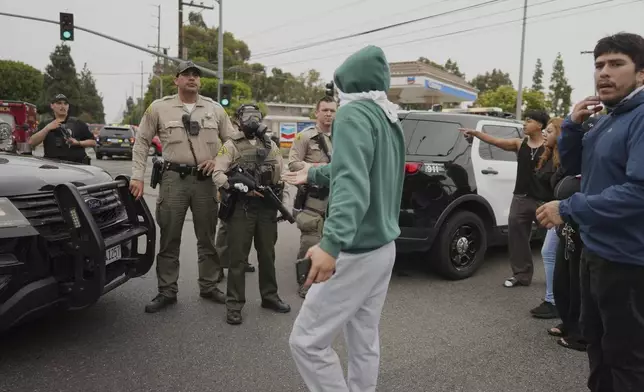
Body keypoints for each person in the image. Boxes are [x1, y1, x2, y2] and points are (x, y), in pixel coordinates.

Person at [285, 45, 405, 392]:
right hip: (383, 248)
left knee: (306, 342)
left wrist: (331, 243)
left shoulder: (352, 115)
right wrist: (317, 174)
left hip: (355, 251)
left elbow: (352, 183)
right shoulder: (386, 116)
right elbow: (360, 168)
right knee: (364, 342)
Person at [537, 32, 644, 391]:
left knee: (626, 357)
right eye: (599, 65)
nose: (603, 73)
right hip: (593, 250)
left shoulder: (640, 118)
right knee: (595, 342)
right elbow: (575, 168)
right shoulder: (608, 118)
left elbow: (638, 192)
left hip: (628, 260)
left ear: (641, 73)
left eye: (616, 64)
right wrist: (571, 125)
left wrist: (568, 207)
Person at [129, 61, 234, 313]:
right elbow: (142, 141)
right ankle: (167, 290)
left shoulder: (215, 109)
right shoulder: (159, 108)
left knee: (207, 237)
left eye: (196, 75)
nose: (192, 78)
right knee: (169, 237)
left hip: (205, 181)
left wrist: (218, 160)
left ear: (200, 81)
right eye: (186, 74)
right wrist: (137, 176)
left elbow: (232, 140)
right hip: (173, 179)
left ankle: (208, 285)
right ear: (176, 80)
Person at [212, 103, 291, 325]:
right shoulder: (231, 145)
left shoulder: (271, 145)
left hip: (267, 208)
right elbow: (217, 173)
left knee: (267, 255)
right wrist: (235, 185)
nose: (252, 120)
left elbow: (281, 174)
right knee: (237, 258)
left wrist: (281, 202)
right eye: (247, 116)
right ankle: (234, 304)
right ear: (238, 121)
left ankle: (270, 296)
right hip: (243, 208)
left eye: (256, 116)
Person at [460, 109, 551, 288]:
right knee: (517, 239)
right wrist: (477, 134)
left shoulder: (550, 146)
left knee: (553, 241)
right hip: (520, 199)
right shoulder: (520, 143)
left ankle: (556, 279)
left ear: (540, 125)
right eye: (525, 120)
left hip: (544, 201)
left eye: (529, 120)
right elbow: (496, 142)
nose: (525, 123)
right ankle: (521, 275)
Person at [288, 95, 336, 298]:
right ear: (316, 112)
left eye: (332, 110)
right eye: (324, 110)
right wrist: (320, 168)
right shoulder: (305, 137)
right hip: (314, 196)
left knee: (334, 238)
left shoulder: (343, 136)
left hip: (337, 195)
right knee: (310, 238)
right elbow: (293, 164)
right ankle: (305, 282)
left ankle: (328, 281)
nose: (328, 114)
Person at [530, 118, 563, 320]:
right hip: (545, 210)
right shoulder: (547, 155)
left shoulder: (566, 158)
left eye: (549, 131)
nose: (545, 134)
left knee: (549, 252)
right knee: (552, 254)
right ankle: (554, 300)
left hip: (560, 212)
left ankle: (553, 301)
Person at [28, 94, 95, 164]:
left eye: (65, 104)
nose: (62, 106)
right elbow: (31, 142)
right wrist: (47, 128)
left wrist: (78, 143)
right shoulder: (46, 124)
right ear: (52, 106)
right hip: (53, 167)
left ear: (68, 106)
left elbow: (93, 142)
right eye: (59, 103)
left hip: (76, 166)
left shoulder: (78, 123)